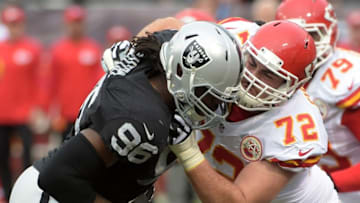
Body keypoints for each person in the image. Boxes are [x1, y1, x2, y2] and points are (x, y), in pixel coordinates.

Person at [9, 20, 243, 203]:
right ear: (184, 75)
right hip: (50, 196)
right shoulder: (142, 120)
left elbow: (169, 21)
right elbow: (58, 176)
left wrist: (132, 46)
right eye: (210, 94)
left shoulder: (168, 50)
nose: (215, 105)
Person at [168, 20, 341, 202]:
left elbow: (239, 200)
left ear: (291, 86)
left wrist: (188, 151)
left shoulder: (293, 129)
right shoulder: (231, 39)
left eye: (268, 74)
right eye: (252, 63)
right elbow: (174, 36)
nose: (251, 77)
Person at [276, 0, 360, 202]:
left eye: (311, 35)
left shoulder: (346, 80)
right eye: (292, 35)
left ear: (330, 33)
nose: (302, 44)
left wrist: (326, 183)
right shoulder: (270, 75)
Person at [0, 5, 44, 201]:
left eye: (16, 24)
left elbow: (41, 81)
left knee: (27, 158)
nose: (13, 28)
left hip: (25, 114)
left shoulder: (32, 49)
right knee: (2, 158)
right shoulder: (1, 50)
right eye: (10, 24)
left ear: (22, 24)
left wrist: (38, 107)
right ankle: (8, 195)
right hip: (2, 114)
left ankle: (26, 195)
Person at [48, 5, 103, 140]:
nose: (76, 27)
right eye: (73, 23)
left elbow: (100, 81)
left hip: (88, 112)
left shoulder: (93, 48)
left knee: (89, 150)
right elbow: (51, 81)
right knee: (64, 150)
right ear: (66, 24)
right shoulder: (58, 50)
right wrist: (50, 109)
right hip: (65, 112)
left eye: (79, 23)